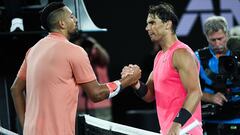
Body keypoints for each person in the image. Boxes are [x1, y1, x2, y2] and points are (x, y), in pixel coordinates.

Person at [10, 2, 141, 135]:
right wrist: (128, 80)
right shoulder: (74, 51)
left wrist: (25, 124)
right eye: (72, 17)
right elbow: (97, 94)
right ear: (62, 23)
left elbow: (15, 89)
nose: (76, 19)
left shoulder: (33, 50)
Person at [122, 2, 203, 135]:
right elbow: (149, 95)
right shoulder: (159, 56)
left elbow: (195, 92)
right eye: (148, 23)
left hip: (186, 131)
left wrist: (177, 124)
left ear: (168, 24)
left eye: (152, 23)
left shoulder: (181, 53)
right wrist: (135, 83)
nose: (147, 28)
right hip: (170, 131)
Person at [195, 16, 240, 135]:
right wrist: (209, 97)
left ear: (227, 34)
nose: (217, 44)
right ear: (206, 37)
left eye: (220, 38)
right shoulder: (196, 58)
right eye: (212, 40)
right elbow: (186, 89)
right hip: (211, 120)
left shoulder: (238, 53)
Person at [71, 33, 113, 121]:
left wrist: (94, 44)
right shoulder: (76, 55)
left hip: (101, 104)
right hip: (80, 104)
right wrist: (76, 47)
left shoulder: (96, 54)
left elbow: (106, 58)